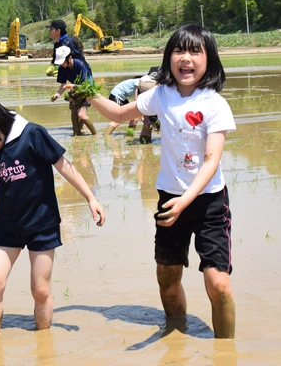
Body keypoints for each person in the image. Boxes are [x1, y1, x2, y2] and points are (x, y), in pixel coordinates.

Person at [80, 23, 237, 339]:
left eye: (195, 51)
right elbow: (119, 114)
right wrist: (87, 91)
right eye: (179, 51)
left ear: (210, 59)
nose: (185, 58)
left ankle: (225, 351)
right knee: (167, 278)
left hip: (208, 201)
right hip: (170, 198)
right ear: (169, 58)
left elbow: (211, 161)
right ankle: (176, 334)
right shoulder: (160, 95)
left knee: (218, 284)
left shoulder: (214, 103)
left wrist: (186, 200)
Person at [0, 92, 106, 336]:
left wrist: (91, 198)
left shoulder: (32, 134)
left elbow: (64, 166)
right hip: (8, 227)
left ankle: (43, 346)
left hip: (42, 224)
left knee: (40, 289)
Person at [50, 46, 96, 136]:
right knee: (74, 114)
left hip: (87, 88)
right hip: (75, 89)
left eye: (63, 61)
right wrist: (58, 94)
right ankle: (77, 136)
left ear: (70, 57)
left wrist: (72, 86)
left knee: (81, 115)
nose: (62, 64)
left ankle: (95, 135)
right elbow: (63, 85)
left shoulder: (80, 65)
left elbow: (85, 85)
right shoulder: (62, 68)